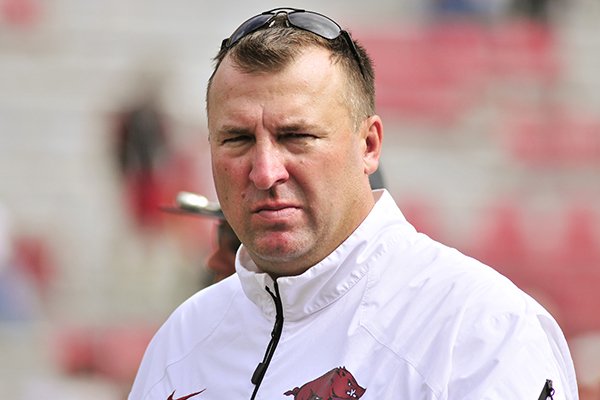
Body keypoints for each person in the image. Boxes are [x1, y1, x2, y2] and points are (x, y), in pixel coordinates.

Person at [129, 7, 578, 399]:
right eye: (238, 139)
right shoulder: (181, 338)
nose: (265, 171)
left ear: (369, 145)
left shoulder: (480, 330)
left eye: (296, 136)